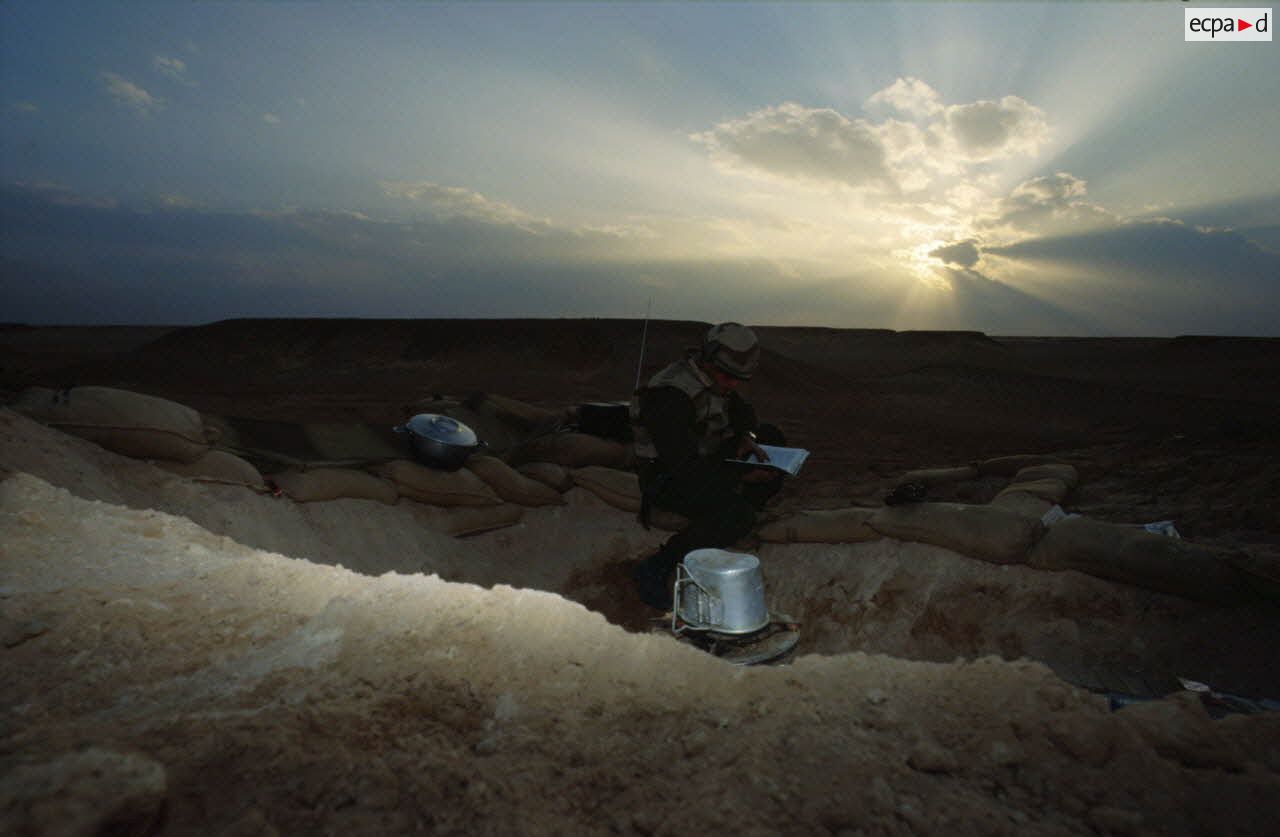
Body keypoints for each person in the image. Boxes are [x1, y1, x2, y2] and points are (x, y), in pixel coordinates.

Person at [629, 322, 786, 610]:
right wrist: (739, 476)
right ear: (708, 359)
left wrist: (746, 437)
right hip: (667, 475)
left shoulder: (714, 379)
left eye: (739, 378)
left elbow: (743, 414)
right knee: (736, 514)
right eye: (727, 376)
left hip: (704, 457)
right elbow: (682, 465)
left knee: (772, 438)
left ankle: (736, 513)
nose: (732, 384)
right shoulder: (670, 394)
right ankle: (657, 566)